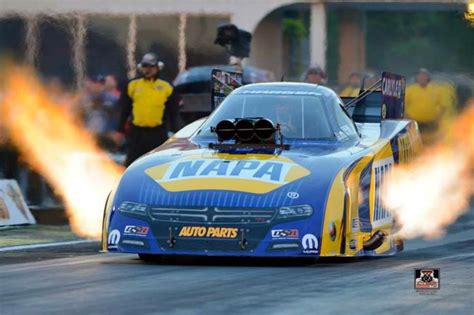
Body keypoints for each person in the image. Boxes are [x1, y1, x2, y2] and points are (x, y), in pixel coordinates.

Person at [118, 52, 181, 166]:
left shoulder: (166, 86)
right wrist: (120, 129)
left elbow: (173, 112)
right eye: (145, 66)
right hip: (137, 133)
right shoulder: (133, 85)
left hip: (158, 133)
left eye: (151, 66)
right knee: (132, 163)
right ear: (141, 68)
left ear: (158, 67)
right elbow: (125, 109)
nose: (148, 69)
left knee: (158, 163)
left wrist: (176, 131)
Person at [405, 68, 453, 144]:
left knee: (431, 142)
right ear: (416, 78)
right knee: (415, 143)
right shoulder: (410, 90)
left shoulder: (436, 90)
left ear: (428, 77)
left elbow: (444, 105)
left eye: (424, 76)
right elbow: (403, 105)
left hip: (431, 123)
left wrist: (438, 118)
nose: (422, 78)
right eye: (420, 76)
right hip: (414, 123)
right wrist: (407, 117)